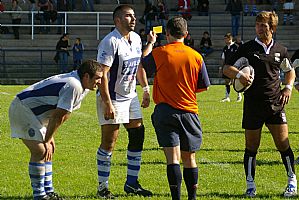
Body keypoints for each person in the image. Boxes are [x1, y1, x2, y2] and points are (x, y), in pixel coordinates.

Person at [223, 11, 297, 197]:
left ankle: (292, 181)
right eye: (257, 25)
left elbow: (290, 71)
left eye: (263, 25)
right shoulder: (247, 48)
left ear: (272, 28)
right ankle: (250, 185)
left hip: (275, 103)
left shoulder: (281, 50)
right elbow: (226, 69)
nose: (259, 28)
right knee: (251, 147)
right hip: (253, 105)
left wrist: (287, 88)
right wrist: (240, 75)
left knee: (283, 144)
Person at [8, 60, 103, 200]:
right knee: (40, 151)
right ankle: (40, 195)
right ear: (86, 76)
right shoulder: (74, 85)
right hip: (23, 110)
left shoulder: (83, 86)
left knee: (48, 151)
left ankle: (49, 192)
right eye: (97, 78)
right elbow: (57, 117)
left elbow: (63, 116)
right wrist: (47, 139)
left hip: (35, 114)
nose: (100, 82)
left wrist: (49, 136)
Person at [140, 16, 211, 200]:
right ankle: (192, 198)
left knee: (172, 159)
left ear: (167, 34)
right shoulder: (196, 56)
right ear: (186, 34)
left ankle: (176, 198)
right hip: (189, 112)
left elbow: (143, 63)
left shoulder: (160, 52)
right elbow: (204, 86)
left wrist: (150, 42)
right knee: (190, 158)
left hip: (165, 111)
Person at [95, 5, 153, 199]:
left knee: (138, 135)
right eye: (128, 16)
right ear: (117, 20)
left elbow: (139, 66)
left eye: (134, 16)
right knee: (109, 142)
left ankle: (132, 183)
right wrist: (108, 103)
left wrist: (145, 89)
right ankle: (103, 188)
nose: (133, 19)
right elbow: (102, 75)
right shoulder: (110, 41)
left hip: (130, 96)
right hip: (113, 98)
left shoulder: (136, 38)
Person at [220, 32, 242, 102]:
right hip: (226, 67)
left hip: (234, 67)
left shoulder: (236, 47)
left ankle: (239, 96)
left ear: (230, 39)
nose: (225, 40)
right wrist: (221, 67)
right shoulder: (225, 48)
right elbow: (223, 58)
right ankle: (227, 97)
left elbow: (239, 57)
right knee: (227, 81)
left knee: (235, 81)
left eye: (226, 39)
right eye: (224, 39)